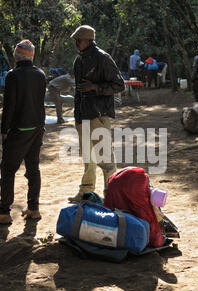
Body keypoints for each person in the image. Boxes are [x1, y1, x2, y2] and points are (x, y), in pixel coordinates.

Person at [0, 39, 47, 225]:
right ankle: (33, 208)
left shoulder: (13, 75)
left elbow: (9, 106)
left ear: (16, 57)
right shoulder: (40, 74)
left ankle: (3, 212)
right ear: (32, 56)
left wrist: (4, 131)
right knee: (33, 168)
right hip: (37, 128)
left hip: (19, 130)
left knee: (8, 170)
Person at [67, 25, 125, 203]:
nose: (76, 43)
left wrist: (95, 87)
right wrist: (76, 117)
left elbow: (119, 85)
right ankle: (86, 193)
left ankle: (111, 194)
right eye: (76, 40)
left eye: (79, 40)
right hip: (82, 115)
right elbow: (78, 91)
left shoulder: (102, 58)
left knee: (105, 156)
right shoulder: (79, 60)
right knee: (88, 158)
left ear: (89, 40)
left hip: (98, 115)